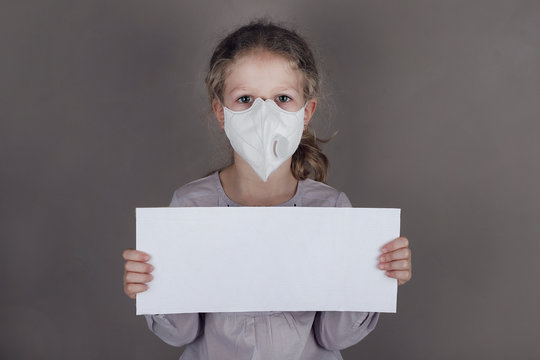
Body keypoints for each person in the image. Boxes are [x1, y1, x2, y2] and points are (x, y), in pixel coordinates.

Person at [122, 18, 412, 360]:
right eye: (245, 98)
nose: (264, 116)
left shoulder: (330, 210)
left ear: (306, 112)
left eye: (283, 98)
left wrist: (376, 277)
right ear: (221, 111)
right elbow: (181, 331)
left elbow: (334, 335)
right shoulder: (190, 207)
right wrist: (152, 284)